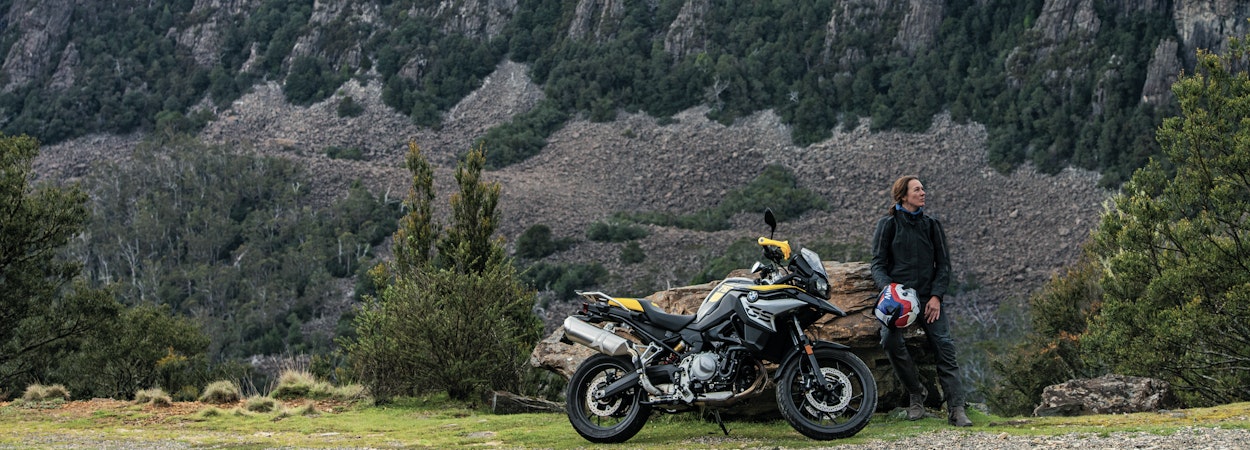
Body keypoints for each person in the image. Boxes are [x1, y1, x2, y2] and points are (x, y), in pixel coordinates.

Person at [870, 175, 972, 427]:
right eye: (917, 190)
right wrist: (889, 290)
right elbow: (878, 265)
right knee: (889, 340)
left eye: (923, 189)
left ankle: (956, 409)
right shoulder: (888, 225)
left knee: (944, 346)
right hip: (899, 301)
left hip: (928, 299)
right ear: (903, 196)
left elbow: (944, 265)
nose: (923, 193)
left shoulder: (931, 225)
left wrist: (936, 296)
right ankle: (917, 394)